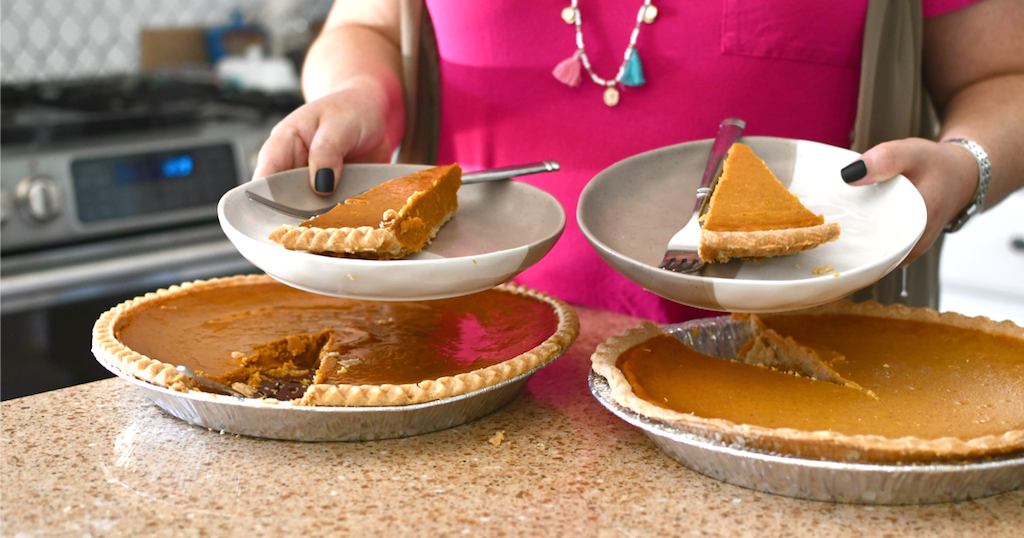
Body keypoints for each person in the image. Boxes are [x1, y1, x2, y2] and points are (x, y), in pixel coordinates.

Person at [253, 0, 1024, 323]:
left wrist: (964, 166)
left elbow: (1004, 77)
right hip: (470, 357)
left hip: (789, 378)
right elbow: (367, 23)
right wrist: (361, 92)